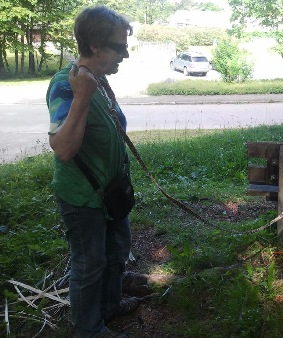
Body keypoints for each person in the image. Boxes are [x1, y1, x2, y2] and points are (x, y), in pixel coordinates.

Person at [46, 6, 139, 337]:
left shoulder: (99, 81)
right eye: (119, 47)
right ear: (96, 45)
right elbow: (65, 148)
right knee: (89, 264)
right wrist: (82, 97)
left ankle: (109, 307)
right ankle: (89, 329)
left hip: (110, 191)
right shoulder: (66, 85)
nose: (125, 55)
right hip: (82, 196)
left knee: (116, 251)